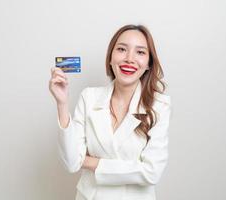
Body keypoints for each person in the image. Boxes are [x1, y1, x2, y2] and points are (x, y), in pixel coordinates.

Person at [49, 24, 171, 200]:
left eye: (140, 52)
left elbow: (151, 172)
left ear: (148, 64)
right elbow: (71, 162)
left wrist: (91, 162)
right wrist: (62, 103)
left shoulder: (159, 105)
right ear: (110, 58)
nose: (129, 58)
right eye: (122, 49)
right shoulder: (89, 97)